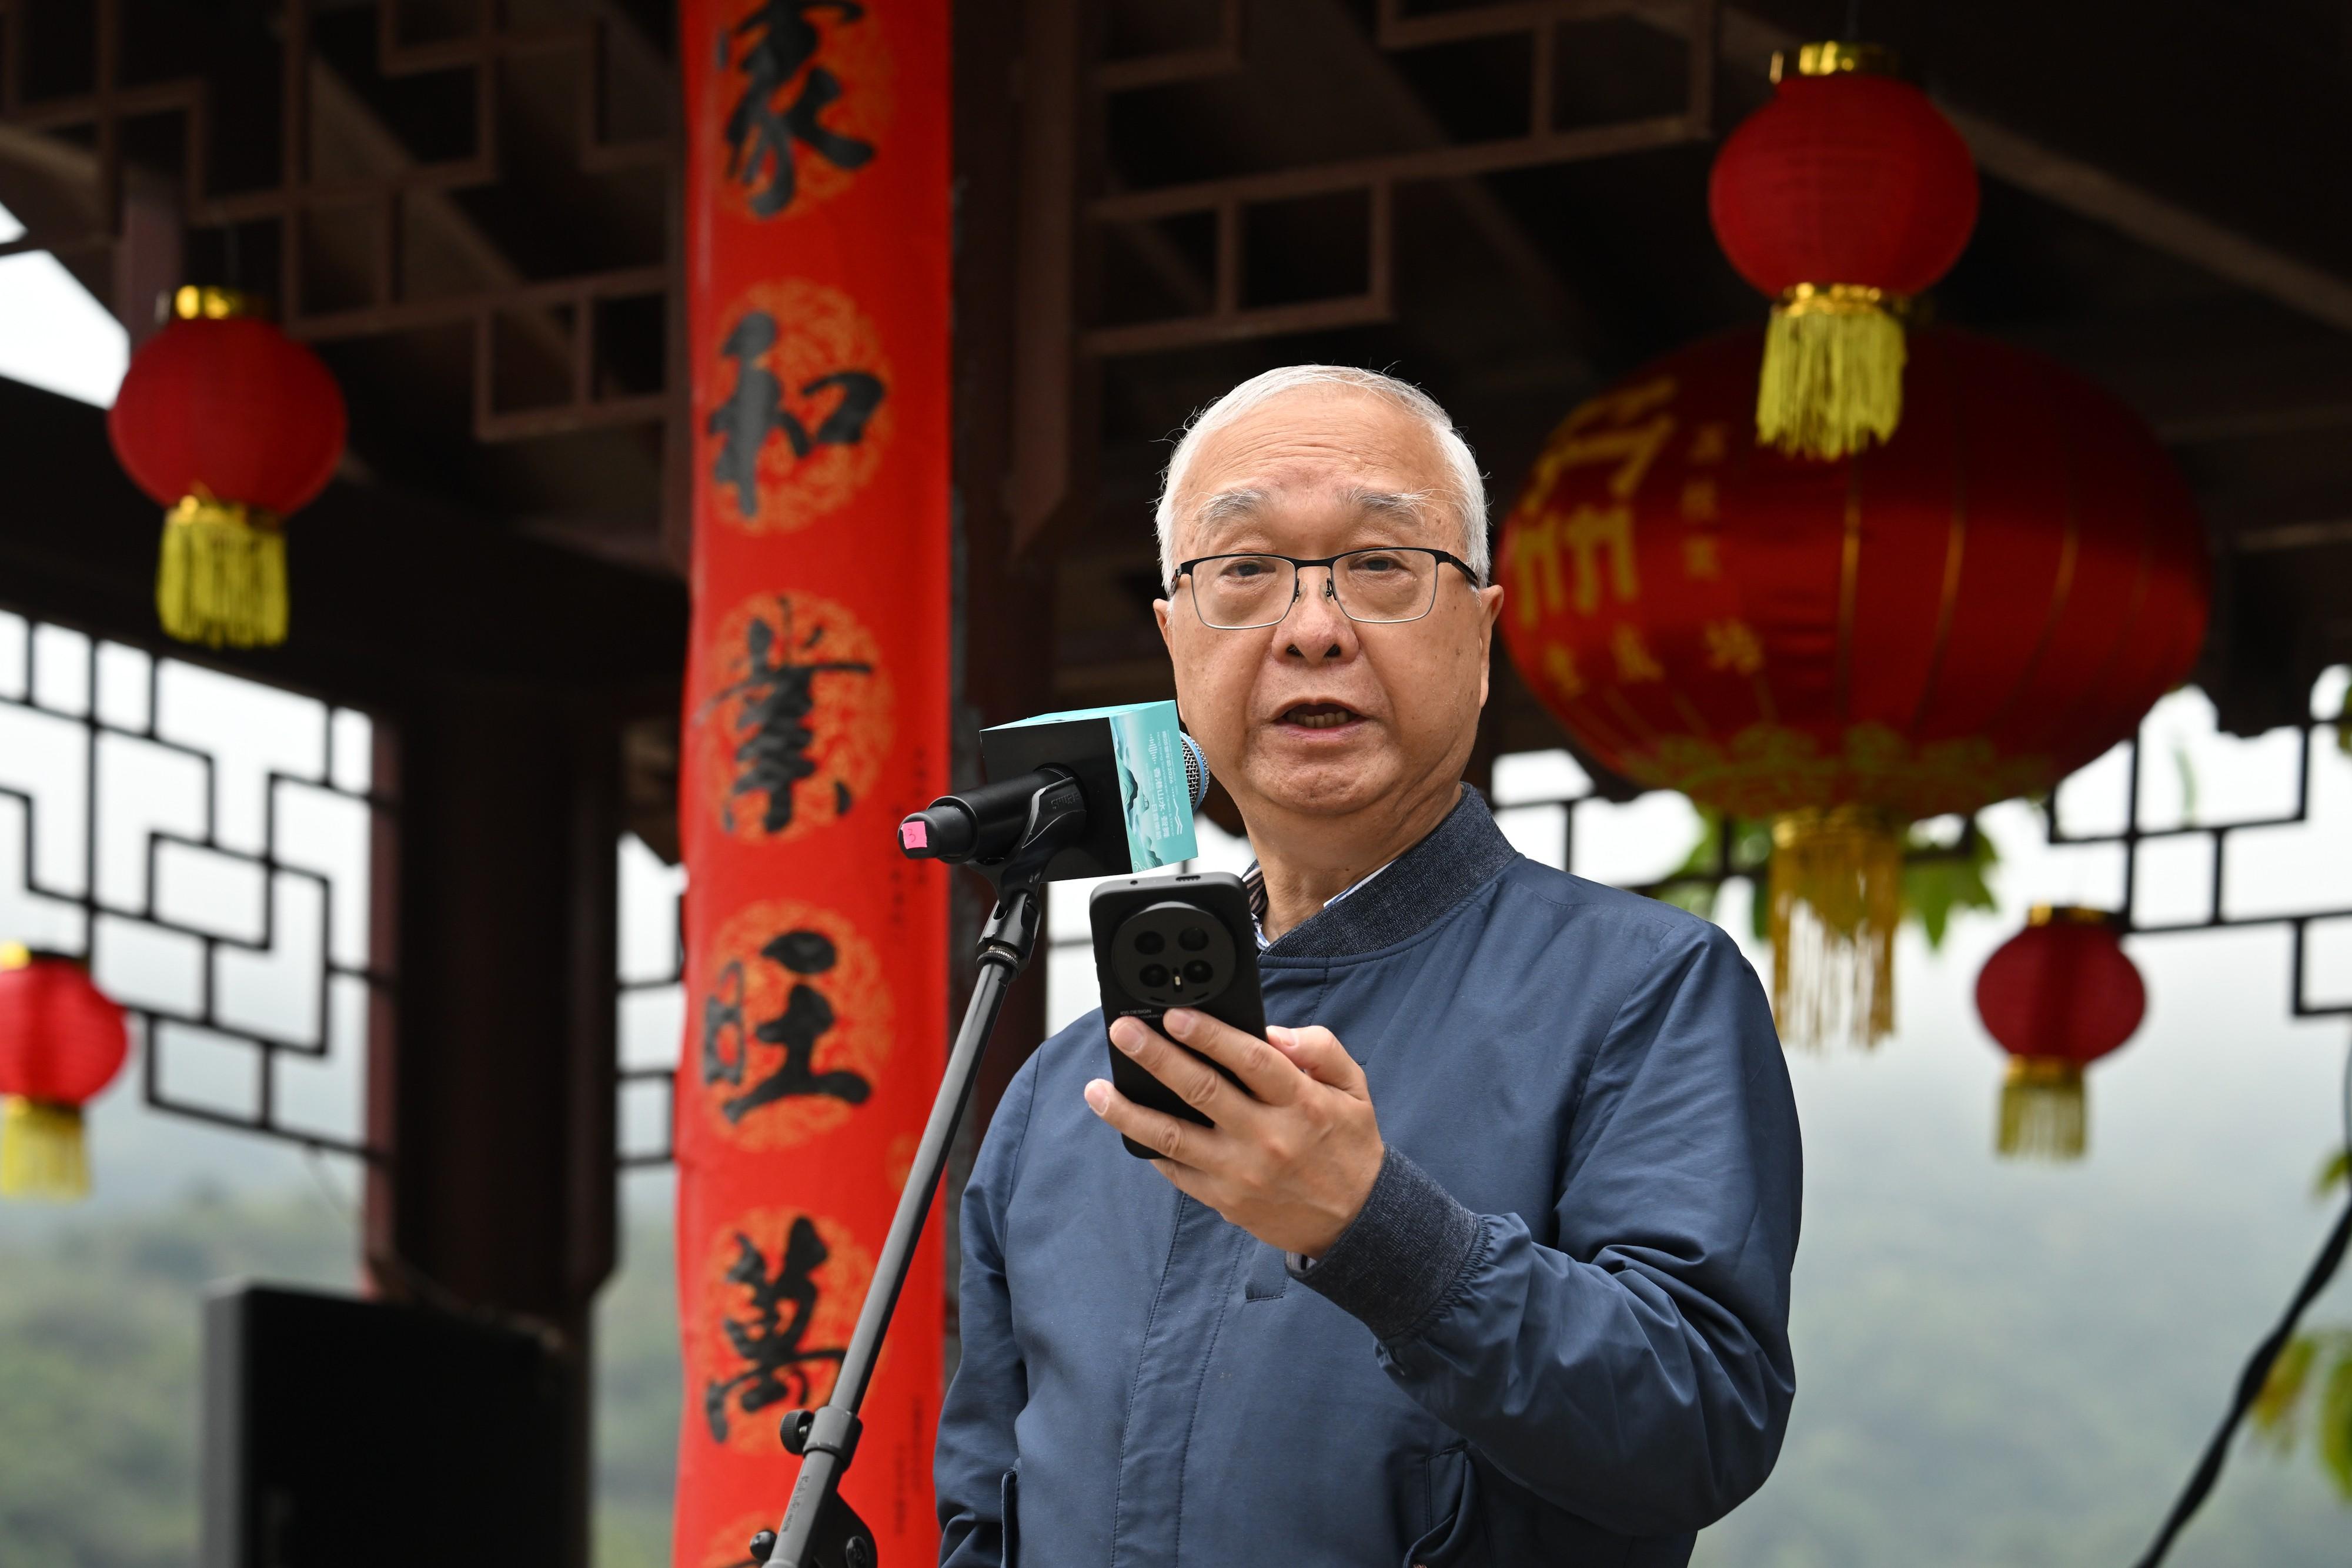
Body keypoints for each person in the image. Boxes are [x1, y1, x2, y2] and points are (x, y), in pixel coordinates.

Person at [936, 365, 1801, 1567]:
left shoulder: (1641, 990)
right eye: (1242, 572)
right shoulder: (1062, 1092)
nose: (1310, 627)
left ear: (1481, 633)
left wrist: (1370, 1224)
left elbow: (1699, 1425)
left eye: (1380, 566)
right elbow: (983, 1509)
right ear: (1173, 638)